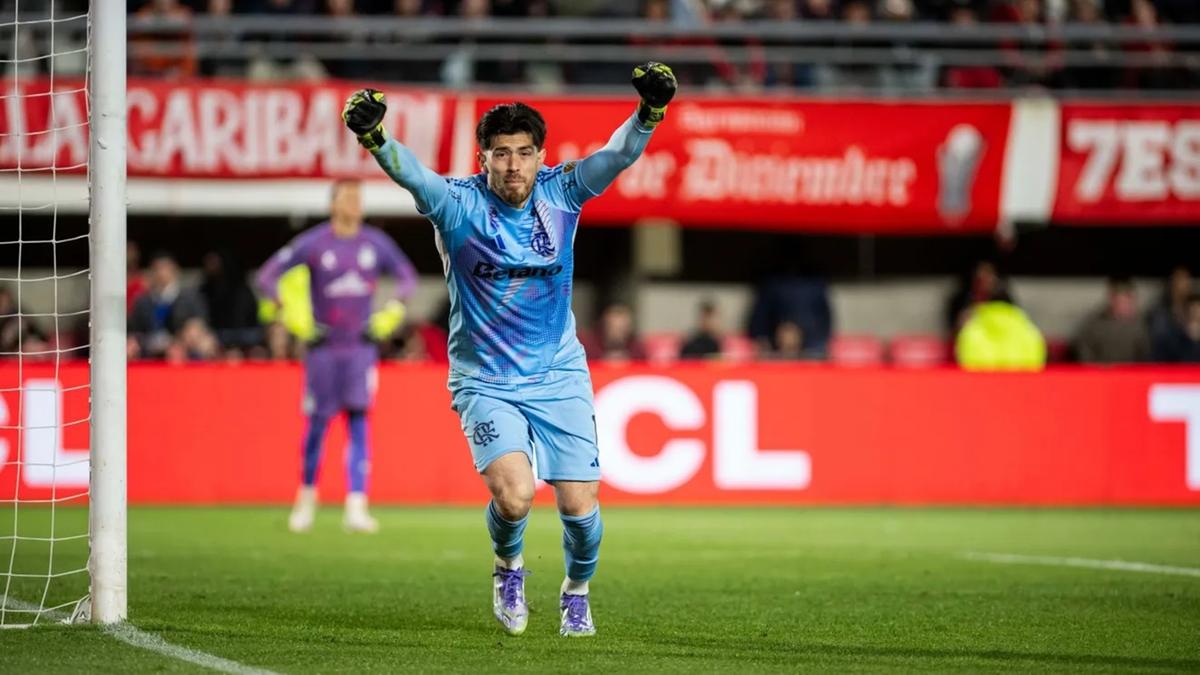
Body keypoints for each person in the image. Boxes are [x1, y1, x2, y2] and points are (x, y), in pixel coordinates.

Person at [341, 61, 676, 637]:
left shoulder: (563, 193)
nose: (513, 164)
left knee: (580, 505)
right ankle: (509, 568)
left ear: (540, 155)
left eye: (524, 151)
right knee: (516, 496)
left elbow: (616, 156)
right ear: (483, 158)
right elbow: (414, 176)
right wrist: (376, 139)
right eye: (501, 152)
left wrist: (648, 116)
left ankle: (576, 590)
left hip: (557, 372)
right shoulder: (458, 204)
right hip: (485, 378)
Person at [255, 179, 418, 535]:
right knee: (316, 426)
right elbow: (267, 277)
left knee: (359, 423)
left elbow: (407, 278)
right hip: (323, 349)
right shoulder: (315, 243)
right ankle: (306, 501)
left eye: (358, 199)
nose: (354, 205)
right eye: (347, 198)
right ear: (333, 204)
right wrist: (292, 315)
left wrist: (392, 310)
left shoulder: (375, 244)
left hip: (360, 347)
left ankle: (356, 506)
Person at [1074, 277, 1150, 364]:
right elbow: (1084, 353)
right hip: (1100, 374)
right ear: (1111, 299)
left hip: (1130, 375)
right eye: (1119, 300)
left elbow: (1145, 357)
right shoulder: (1094, 324)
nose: (1123, 304)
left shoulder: (1140, 325)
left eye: (1127, 299)